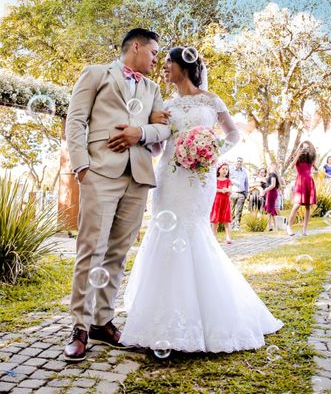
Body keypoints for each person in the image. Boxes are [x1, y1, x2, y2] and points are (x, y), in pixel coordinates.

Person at [121, 46, 282, 353]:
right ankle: (158, 322)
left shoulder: (211, 100)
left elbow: (233, 134)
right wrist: (147, 142)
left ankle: (208, 319)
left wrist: (208, 152)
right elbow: (158, 147)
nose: (164, 67)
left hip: (199, 177)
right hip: (169, 176)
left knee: (194, 231)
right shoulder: (164, 104)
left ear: (184, 66)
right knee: (165, 233)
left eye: (169, 62)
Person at [64, 28, 171, 362]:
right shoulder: (96, 74)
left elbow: (165, 128)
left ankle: (102, 321)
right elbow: (76, 119)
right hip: (99, 171)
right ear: (135, 47)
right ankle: (79, 327)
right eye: (153, 52)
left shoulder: (153, 89)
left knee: (118, 253)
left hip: (138, 176)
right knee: (90, 250)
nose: (156, 59)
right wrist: (82, 166)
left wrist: (141, 132)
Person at [286, 141, 317, 236]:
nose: (305, 149)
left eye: (307, 148)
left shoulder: (311, 159)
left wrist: (315, 168)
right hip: (300, 182)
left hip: (309, 182)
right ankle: (289, 227)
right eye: (303, 148)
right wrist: (298, 154)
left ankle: (304, 229)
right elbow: (291, 166)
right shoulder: (298, 157)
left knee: (308, 207)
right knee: (297, 205)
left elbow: (316, 168)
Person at [210, 163, 233, 244]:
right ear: (219, 170)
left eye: (226, 169)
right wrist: (221, 190)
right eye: (223, 169)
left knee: (226, 220)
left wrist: (226, 190)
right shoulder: (215, 180)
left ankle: (228, 238)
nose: (225, 171)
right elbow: (213, 189)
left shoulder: (228, 181)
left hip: (225, 202)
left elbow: (230, 190)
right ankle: (213, 237)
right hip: (216, 201)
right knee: (215, 221)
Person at [229, 157, 248, 230]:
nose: (239, 163)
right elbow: (228, 180)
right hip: (232, 193)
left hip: (241, 193)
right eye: (238, 161)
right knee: (232, 209)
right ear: (235, 162)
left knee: (239, 210)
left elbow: (246, 183)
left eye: (241, 161)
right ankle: (231, 225)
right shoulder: (231, 171)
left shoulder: (244, 172)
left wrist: (246, 192)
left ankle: (237, 225)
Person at [263, 162, 280, 231]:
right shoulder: (271, 174)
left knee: (270, 209)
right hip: (270, 192)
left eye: (270, 166)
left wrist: (265, 190)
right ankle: (271, 225)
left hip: (271, 192)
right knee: (270, 209)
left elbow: (273, 185)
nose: (269, 167)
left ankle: (273, 225)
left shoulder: (273, 174)